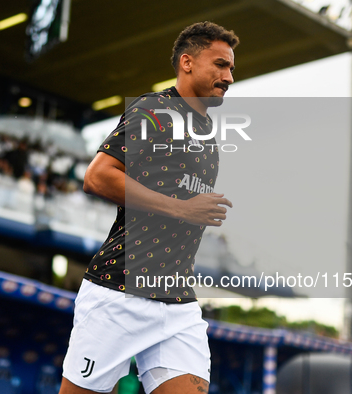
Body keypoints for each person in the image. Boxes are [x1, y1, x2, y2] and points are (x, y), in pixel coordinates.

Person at [59, 22, 238, 394]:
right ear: (187, 62)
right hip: (118, 290)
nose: (229, 77)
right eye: (220, 65)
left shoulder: (208, 137)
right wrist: (182, 209)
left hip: (177, 302)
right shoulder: (155, 110)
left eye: (232, 69)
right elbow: (97, 177)